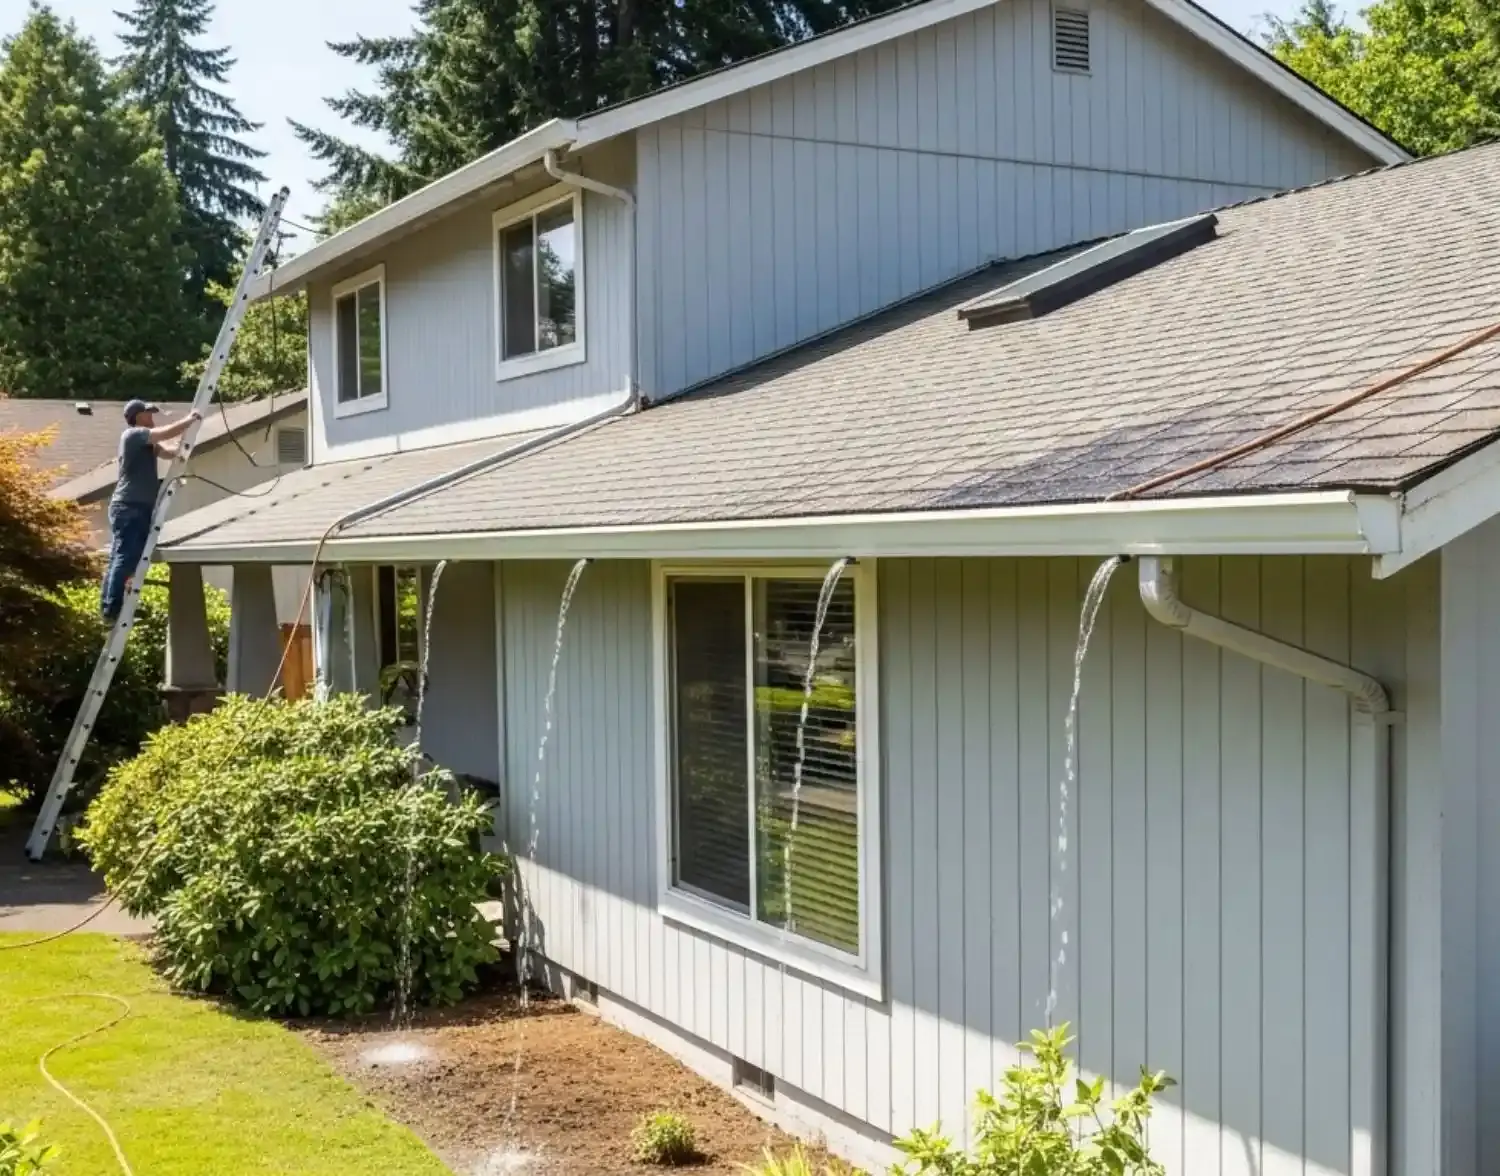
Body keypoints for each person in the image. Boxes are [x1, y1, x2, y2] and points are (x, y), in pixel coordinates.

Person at [100, 399, 200, 621]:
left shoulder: (146, 443)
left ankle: (111, 606)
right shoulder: (133, 435)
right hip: (129, 506)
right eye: (148, 413)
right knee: (126, 557)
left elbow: (168, 451)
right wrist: (190, 420)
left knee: (122, 556)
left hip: (135, 507)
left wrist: (184, 446)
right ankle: (112, 609)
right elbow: (165, 433)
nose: (152, 417)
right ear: (137, 416)